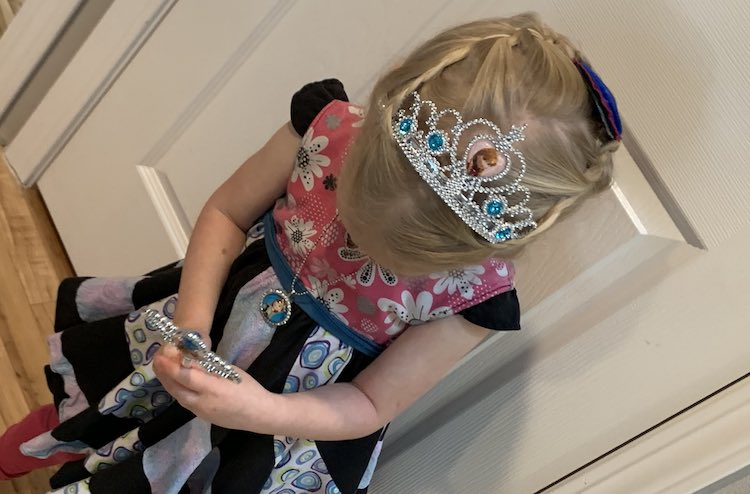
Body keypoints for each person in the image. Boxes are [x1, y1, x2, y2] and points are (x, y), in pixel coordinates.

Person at [0, 12, 621, 493]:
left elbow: (373, 402)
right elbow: (227, 211)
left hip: (291, 410)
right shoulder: (326, 128)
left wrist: (262, 409)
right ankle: (49, 440)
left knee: (192, 473)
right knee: (112, 389)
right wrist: (190, 320)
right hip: (206, 310)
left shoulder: (474, 298)